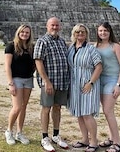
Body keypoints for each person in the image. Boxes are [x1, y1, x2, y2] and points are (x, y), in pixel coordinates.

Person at [34, 17, 70, 151]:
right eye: (52, 25)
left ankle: (56, 134)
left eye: (57, 25)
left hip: (61, 81)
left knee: (57, 107)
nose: (55, 27)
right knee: (46, 108)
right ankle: (44, 137)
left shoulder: (61, 41)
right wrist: (46, 81)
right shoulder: (42, 41)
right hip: (49, 82)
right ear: (47, 26)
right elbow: (38, 62)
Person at [67, 24, 102, 152]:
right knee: (79, 114)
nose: (80, 34)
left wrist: (91, 82)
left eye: (82, 32)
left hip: (88, 84)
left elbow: (99, 66)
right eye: (77, 32)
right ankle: (84, 139)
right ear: (74, 34)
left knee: (87, 114)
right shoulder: (71, 48)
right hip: (75, 85)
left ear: (86, 34)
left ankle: (93, 141)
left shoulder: (91, 49)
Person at [96, 22, 120, 152]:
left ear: (110, 32)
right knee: (106, 111)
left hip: (112, 81)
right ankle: (111, 138)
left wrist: (118, 85)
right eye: (101, 31)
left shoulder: (116, 47)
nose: (103, 33)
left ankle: (117, 142)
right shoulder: (96, 46)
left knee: (109, 111)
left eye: (105, 31)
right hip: (100, 80)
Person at [4, 24, 35, 145]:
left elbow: (34, 64)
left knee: (24, 106)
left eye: (27, 33)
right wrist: (10, 83)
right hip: (16, 79)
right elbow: (7, 66)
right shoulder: (11, 46)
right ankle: (9, 131)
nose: (25, 34)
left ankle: (19, 132)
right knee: (17, 107)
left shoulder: (31, 47)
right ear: (18, 33)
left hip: (28, 79)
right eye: (23, 32)